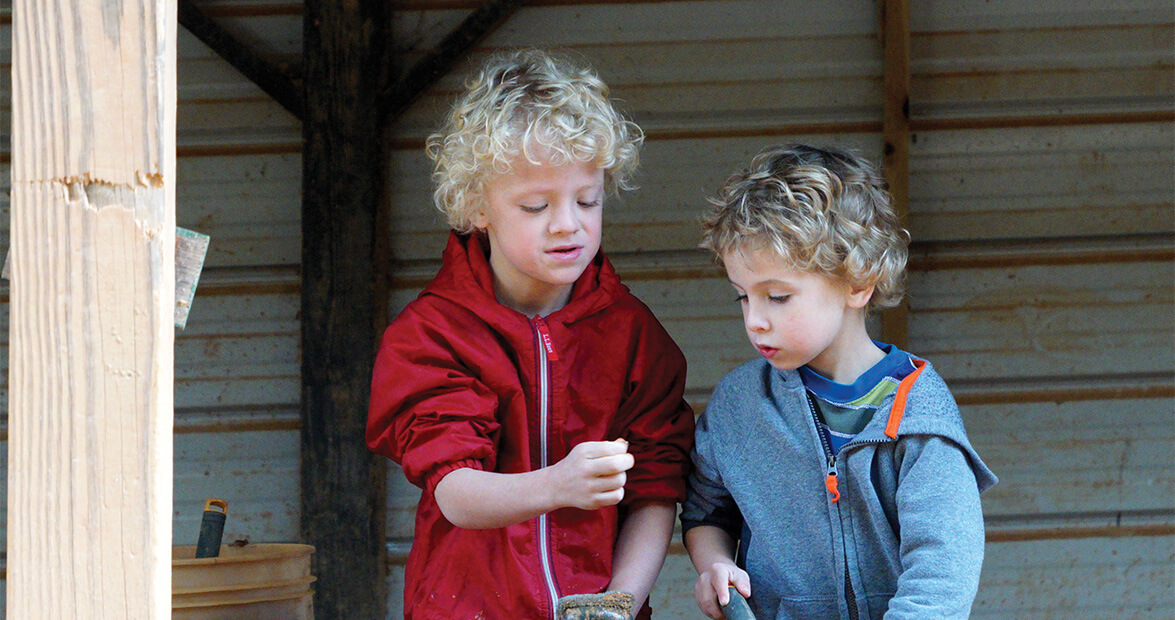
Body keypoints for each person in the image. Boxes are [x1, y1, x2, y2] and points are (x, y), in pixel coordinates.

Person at [367, 48, 695, 620]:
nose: (568, 224)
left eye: (587, 200)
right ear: (477, 207)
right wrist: (558, 485)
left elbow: (655, 489)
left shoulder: (634, 334)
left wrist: (616, 604)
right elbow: (456, 491)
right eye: (536, 205)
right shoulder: (432, 334)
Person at [681, 144, 998, 619]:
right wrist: (715, 564)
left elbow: (942, 574)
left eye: (777, 296)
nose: (755, 320)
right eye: (743, 297)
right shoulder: (739, 404)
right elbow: (705, 512)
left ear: (859, 283)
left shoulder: (919, 414)